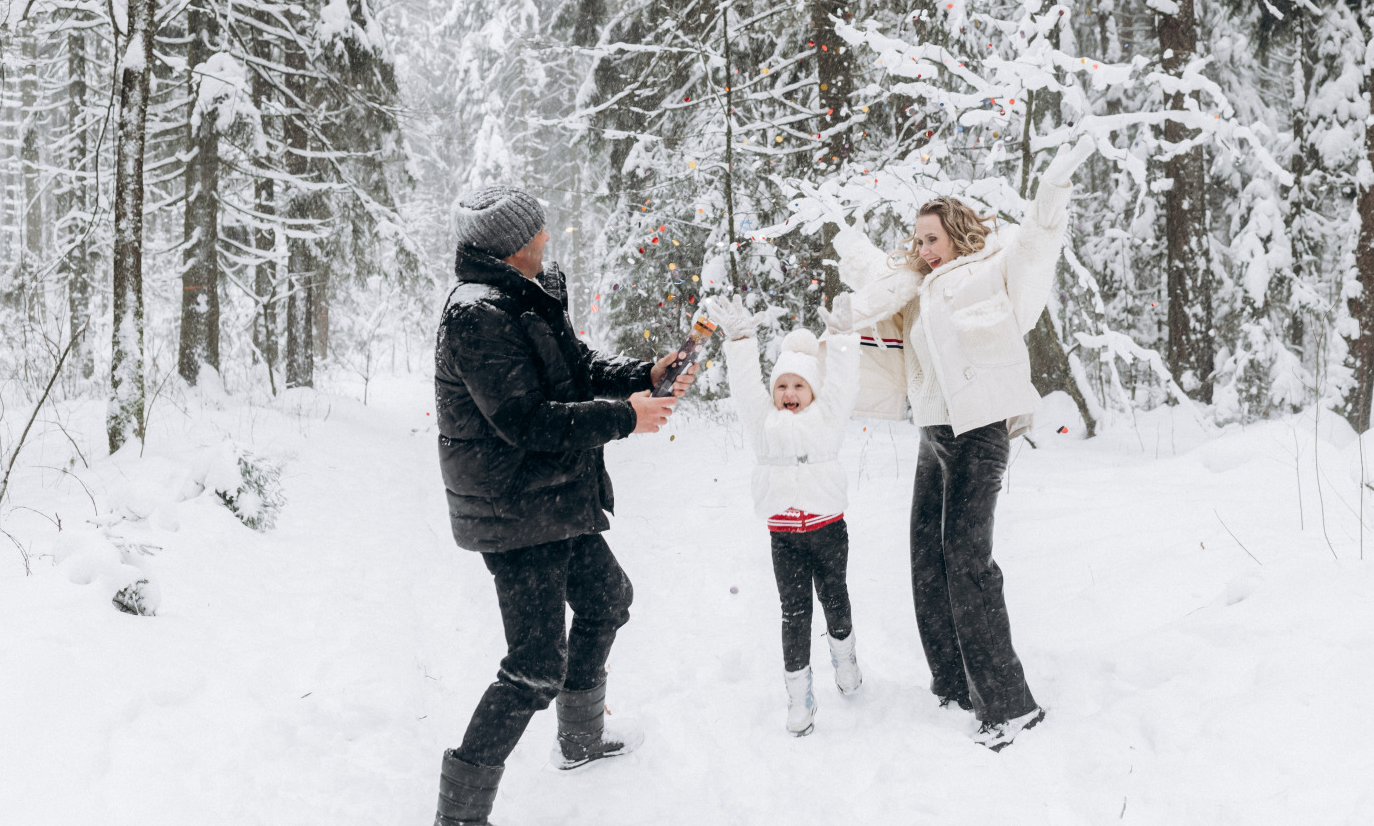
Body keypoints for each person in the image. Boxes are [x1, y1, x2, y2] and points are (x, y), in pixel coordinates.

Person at [433, 185, 696, 826]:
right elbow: (524, 420)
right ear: (515, 246)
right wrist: (624, 418)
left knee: (608, 599)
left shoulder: (528, 293)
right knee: (533, 665)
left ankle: (579, 741)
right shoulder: (477, 314)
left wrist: (644, 375)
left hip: (553, 499)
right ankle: (458, 817)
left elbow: (574, 366)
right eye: (538, 233)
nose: (548, 239)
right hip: (515, 512)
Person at [834, 135, 1096, 751]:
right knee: (927, 560)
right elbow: (874, 277)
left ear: (957, 233)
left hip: (980, 434)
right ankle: (953, 683)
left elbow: (1037, 243)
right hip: (934, 433)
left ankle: (1010, 706)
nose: (921, 249)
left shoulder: (993, 274)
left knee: (968, 563)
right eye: (916, 240)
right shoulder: (916, 289)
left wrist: (1054, 185)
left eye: (931, 238)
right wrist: (845, 235)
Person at [714, 298, 863, 737]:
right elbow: (744, 387)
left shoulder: (828, 416)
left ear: (813, 390)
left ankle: (845, 658)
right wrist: (741, 340)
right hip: (785, 538)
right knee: (794, 613)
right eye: (782, 386)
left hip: (828, 529)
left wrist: (839, 339)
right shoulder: (764, 424)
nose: (790, 394)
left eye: (799, 386)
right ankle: (799, 695)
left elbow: (844, 380)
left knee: (834, 599)